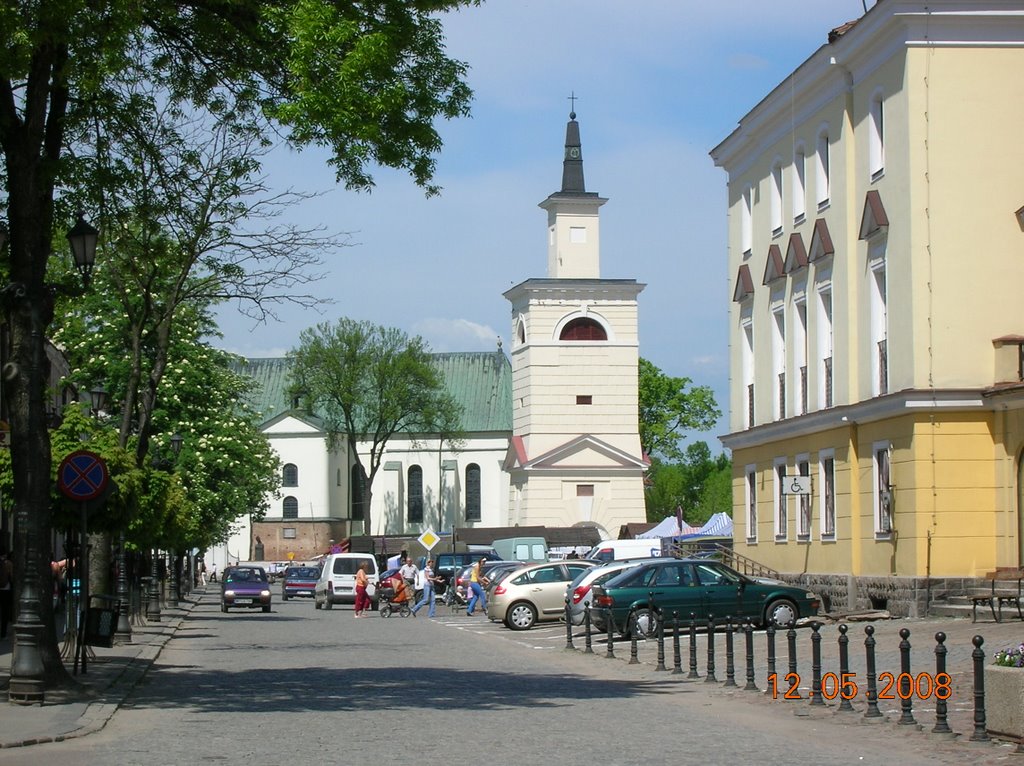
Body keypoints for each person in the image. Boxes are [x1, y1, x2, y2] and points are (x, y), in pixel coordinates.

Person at [0, 550, 12, 639]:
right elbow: (11, 576)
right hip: (6, 589)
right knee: (4, 612)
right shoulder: (8, 563)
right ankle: (3, 634)